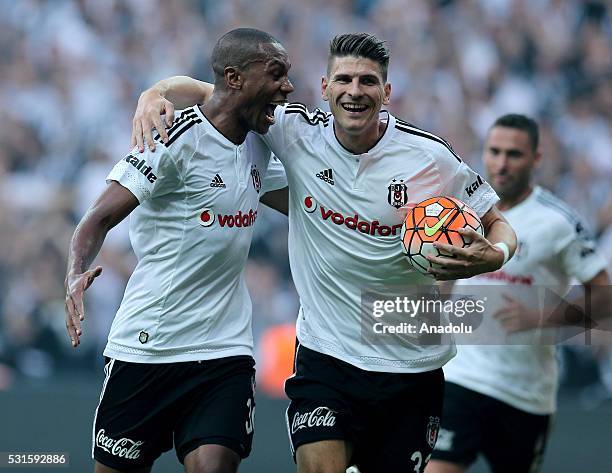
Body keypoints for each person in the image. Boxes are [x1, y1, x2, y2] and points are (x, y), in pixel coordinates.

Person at [131, 33, 517, 473]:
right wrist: (155, 93)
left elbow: (497, 222)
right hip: (325, 356)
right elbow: (212, 92)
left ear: (386, 93)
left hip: (411, 362)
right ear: (326, 87)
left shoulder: (428, 157)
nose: (356, 91)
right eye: (345, 80)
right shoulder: (295, 130)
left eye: (368, 81)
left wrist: (496, 255)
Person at [65, 28, 293, 473]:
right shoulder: (173, 139)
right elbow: (96, 218)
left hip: (224, 351)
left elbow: (311, 206)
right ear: (236, 78)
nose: (287, 87)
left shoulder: (260, 144)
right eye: (277, 74)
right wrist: (75, 270)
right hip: (149, 347)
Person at [426, 114, 610, 473]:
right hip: (461, 377)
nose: (501, 163)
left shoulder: (559, 222)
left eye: (514, 154)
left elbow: (605, 298)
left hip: (526, 394)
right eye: (494, 152)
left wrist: (541, 316)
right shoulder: (460, 211)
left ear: (536, 159)